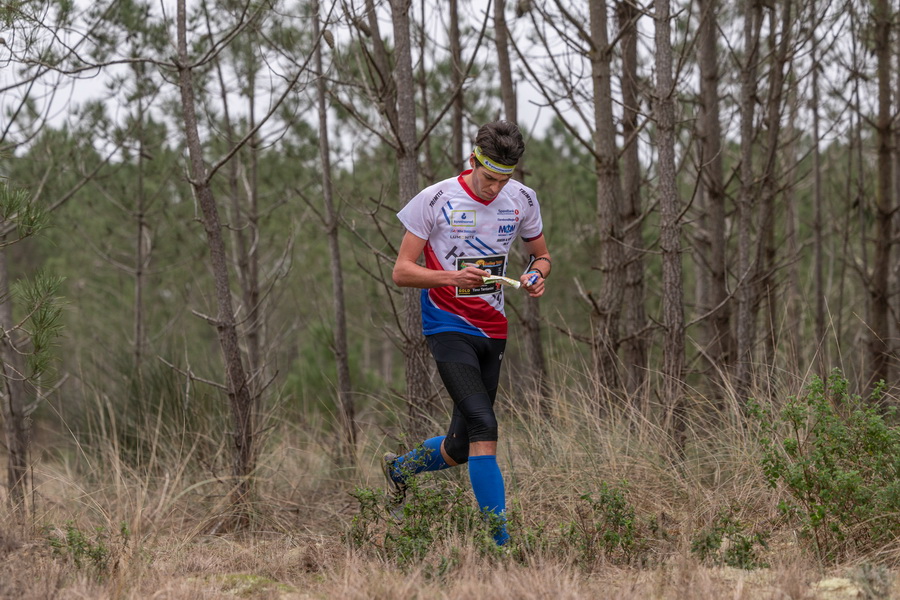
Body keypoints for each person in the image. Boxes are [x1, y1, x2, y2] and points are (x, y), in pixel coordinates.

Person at [386, 120, 551, 546]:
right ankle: (501, 545)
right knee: (484, 423)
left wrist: (536, 275)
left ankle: (398, 470)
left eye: (504, 180)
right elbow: (401, 271)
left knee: (460, 446)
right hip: (447, 324)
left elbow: (541, 255)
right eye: (489, 177)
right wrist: (451, 278)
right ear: (473, 160)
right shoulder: (435, 198)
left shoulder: (522, 199)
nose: (495, 188)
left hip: (493, 329)